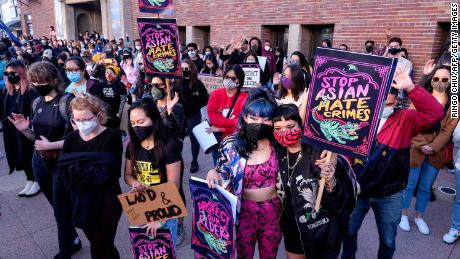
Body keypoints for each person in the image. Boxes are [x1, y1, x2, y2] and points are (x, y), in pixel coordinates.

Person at [341, 71, 444, 259]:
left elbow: (436, 114)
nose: (384, 97)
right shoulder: (354, 116)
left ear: (397, 97)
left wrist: (411, 87)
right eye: (379, 91)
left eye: (391, 91)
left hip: (390, 194)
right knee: (347, 233)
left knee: (388, 241)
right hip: (357, 191)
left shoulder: (406, 118)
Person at [8, 61, 81, 258]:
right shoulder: (36, 103)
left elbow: (78, 138)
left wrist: (53, 145)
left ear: (53, 80)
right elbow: (36, 138)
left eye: (41, 81)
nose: (38, 85)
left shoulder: (67, 102)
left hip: (62, 163)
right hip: (40, 162)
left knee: (61, 210)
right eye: (34, 82)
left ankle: (66, 249)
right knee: (56, 205)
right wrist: (25, 130)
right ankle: (73, 237)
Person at [273, 104, 357, 259]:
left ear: (300, 124)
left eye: (290, 126)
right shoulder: (276, 153)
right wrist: (212, 171)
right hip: (292, 228)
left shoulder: (321, 154)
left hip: (321, 230)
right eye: (278, 128)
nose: (284, 132)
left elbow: (338, 201)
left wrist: (330, 179)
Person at [207, 89, 282, 259]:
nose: (260, 123)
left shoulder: (279, 143)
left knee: (269, 255)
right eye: (254, 118)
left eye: (266, 119)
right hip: (243, 213)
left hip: (273, 212)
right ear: (245, 118)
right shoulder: (231, 144)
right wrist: (213, 172)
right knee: (243, 255)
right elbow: (221, 170)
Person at [56, 94, 123, 259]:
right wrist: (84, 171)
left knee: (104, 244)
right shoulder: (71, 138)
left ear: (99, 115)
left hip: (106, 202)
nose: (81, 124)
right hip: (81, 202)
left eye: (86, 119)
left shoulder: (112, 137)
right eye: (76, 119)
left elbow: (107, 174)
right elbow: (63, 172)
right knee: (94, 241)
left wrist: (75, 171)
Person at [400, 66, 457, 234]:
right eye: (437, 78)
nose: (440, 82)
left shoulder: (454, 104)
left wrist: (432, 147)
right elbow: (410, 121)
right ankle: (403, 214)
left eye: (445, 79)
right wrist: (419, 144)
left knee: (425, 187)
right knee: (409, 185)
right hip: (415, 147)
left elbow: (448, 130)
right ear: (432, 79)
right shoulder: (421, 97)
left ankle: (419, 217)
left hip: (435, 151)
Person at [124, 98, 182, 244]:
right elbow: (127, 175)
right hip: (141, 205)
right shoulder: (132, 146)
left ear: (154, 119)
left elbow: (173, 185)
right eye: (133, 123)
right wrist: (135, 183)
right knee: (143, 249)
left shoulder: (169, 145)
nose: (136, 127)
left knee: (164, 250)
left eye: (141, 122)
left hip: (165, 206)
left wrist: (161, 219)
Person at [0, 61, 40, 197]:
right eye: (7, 74)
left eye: (13, 73)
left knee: (27, 153)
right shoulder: (7, 90)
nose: (9, 76)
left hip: (25, 128)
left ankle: (36, 180)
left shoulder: (30, 90)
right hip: (11, 128)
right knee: (18, 154)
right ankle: (29, 179)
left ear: (22, 72)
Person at [207, 65, 248, 165]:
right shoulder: (215, 94)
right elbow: (214, 120)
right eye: (226, 77)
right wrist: (234, 122)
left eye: (233, 78)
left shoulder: (245, 98)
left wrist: (221, 128)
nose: (229, 80)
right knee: (219, 170)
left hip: (237, 142)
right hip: (218, 143)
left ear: (239, 80)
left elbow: (243, 125)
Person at [176, 59, 208, 174]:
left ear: (191, 69)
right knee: (178, 138)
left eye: (187, 69)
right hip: (180, 115)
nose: (185, 71)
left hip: (193, 114)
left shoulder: (197, 84)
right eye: (182, 69)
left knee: (194, 139)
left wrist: (195, 105)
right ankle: (176, 161)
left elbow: (205, 99)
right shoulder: (177, 83)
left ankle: (194, 161)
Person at [89, 65, 127, 129]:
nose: (108, 75)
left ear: (115, 74)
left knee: (115, 129)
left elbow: (123, 99)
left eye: (111, 73)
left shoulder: (120, 85)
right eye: (106, 72)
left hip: (115, 113)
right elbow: (92, 79)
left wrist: (119, 113)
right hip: (105, 113)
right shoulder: (102, 84)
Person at [443, 122, 460, 244]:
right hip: (445, 136)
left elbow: (453, 118)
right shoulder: (455, 101)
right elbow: (453, 119)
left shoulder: (455, 102)